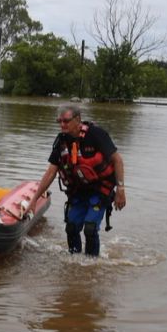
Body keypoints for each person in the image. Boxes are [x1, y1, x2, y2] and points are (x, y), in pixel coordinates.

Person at [24, 103, 127, 256]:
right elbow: (51, 172)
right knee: (71, 227)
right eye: (59, 121)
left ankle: (91, 263)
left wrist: (120, 189)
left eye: (66, 121)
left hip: (100, 190)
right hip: (78, 191)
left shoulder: (96, 135)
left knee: (90, 228)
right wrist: (34, 200)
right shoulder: (61, 142)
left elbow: (117, 160)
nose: (62, 125)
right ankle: (75, 261)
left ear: (78, 119)